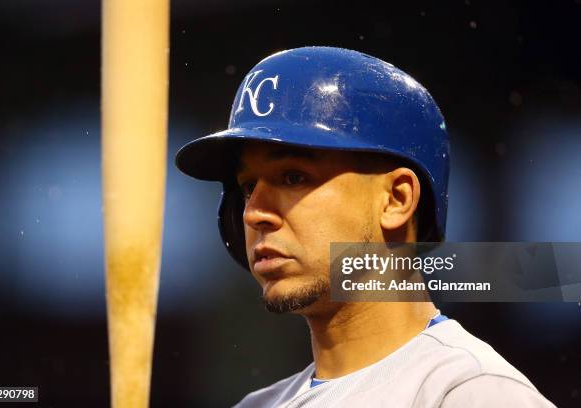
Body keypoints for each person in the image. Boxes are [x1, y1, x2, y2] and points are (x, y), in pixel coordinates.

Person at [175, 47, 555, 407]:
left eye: (293, 177)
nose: (254, 212)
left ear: (397, 199)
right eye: (247, 187)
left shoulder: (468, 393)